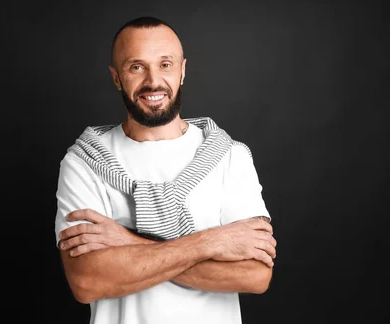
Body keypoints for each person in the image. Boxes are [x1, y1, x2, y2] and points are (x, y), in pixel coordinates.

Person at [54, 16, 277, 324]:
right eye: (136, 67)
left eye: (165, 64)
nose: (153, 81)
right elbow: (88, 282)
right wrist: (212, 242)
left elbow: (255, 275)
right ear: (116, 77)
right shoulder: (84, 163)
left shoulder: (230, 157)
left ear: (182, 71)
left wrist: (127, 242)